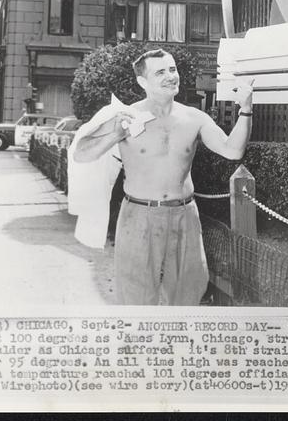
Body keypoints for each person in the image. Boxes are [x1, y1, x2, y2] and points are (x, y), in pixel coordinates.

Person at [71, 48, 254, 305]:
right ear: (142, 82)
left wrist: (246, 110)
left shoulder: (194, 118)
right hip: (138, 216)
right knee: (136, 299)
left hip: (184, 216)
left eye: (172, 69)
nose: (171, 76)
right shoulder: (125, 116)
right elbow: (81, 154)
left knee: (188, 296)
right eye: (160, 72)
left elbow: (233, 151)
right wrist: (114, 133)